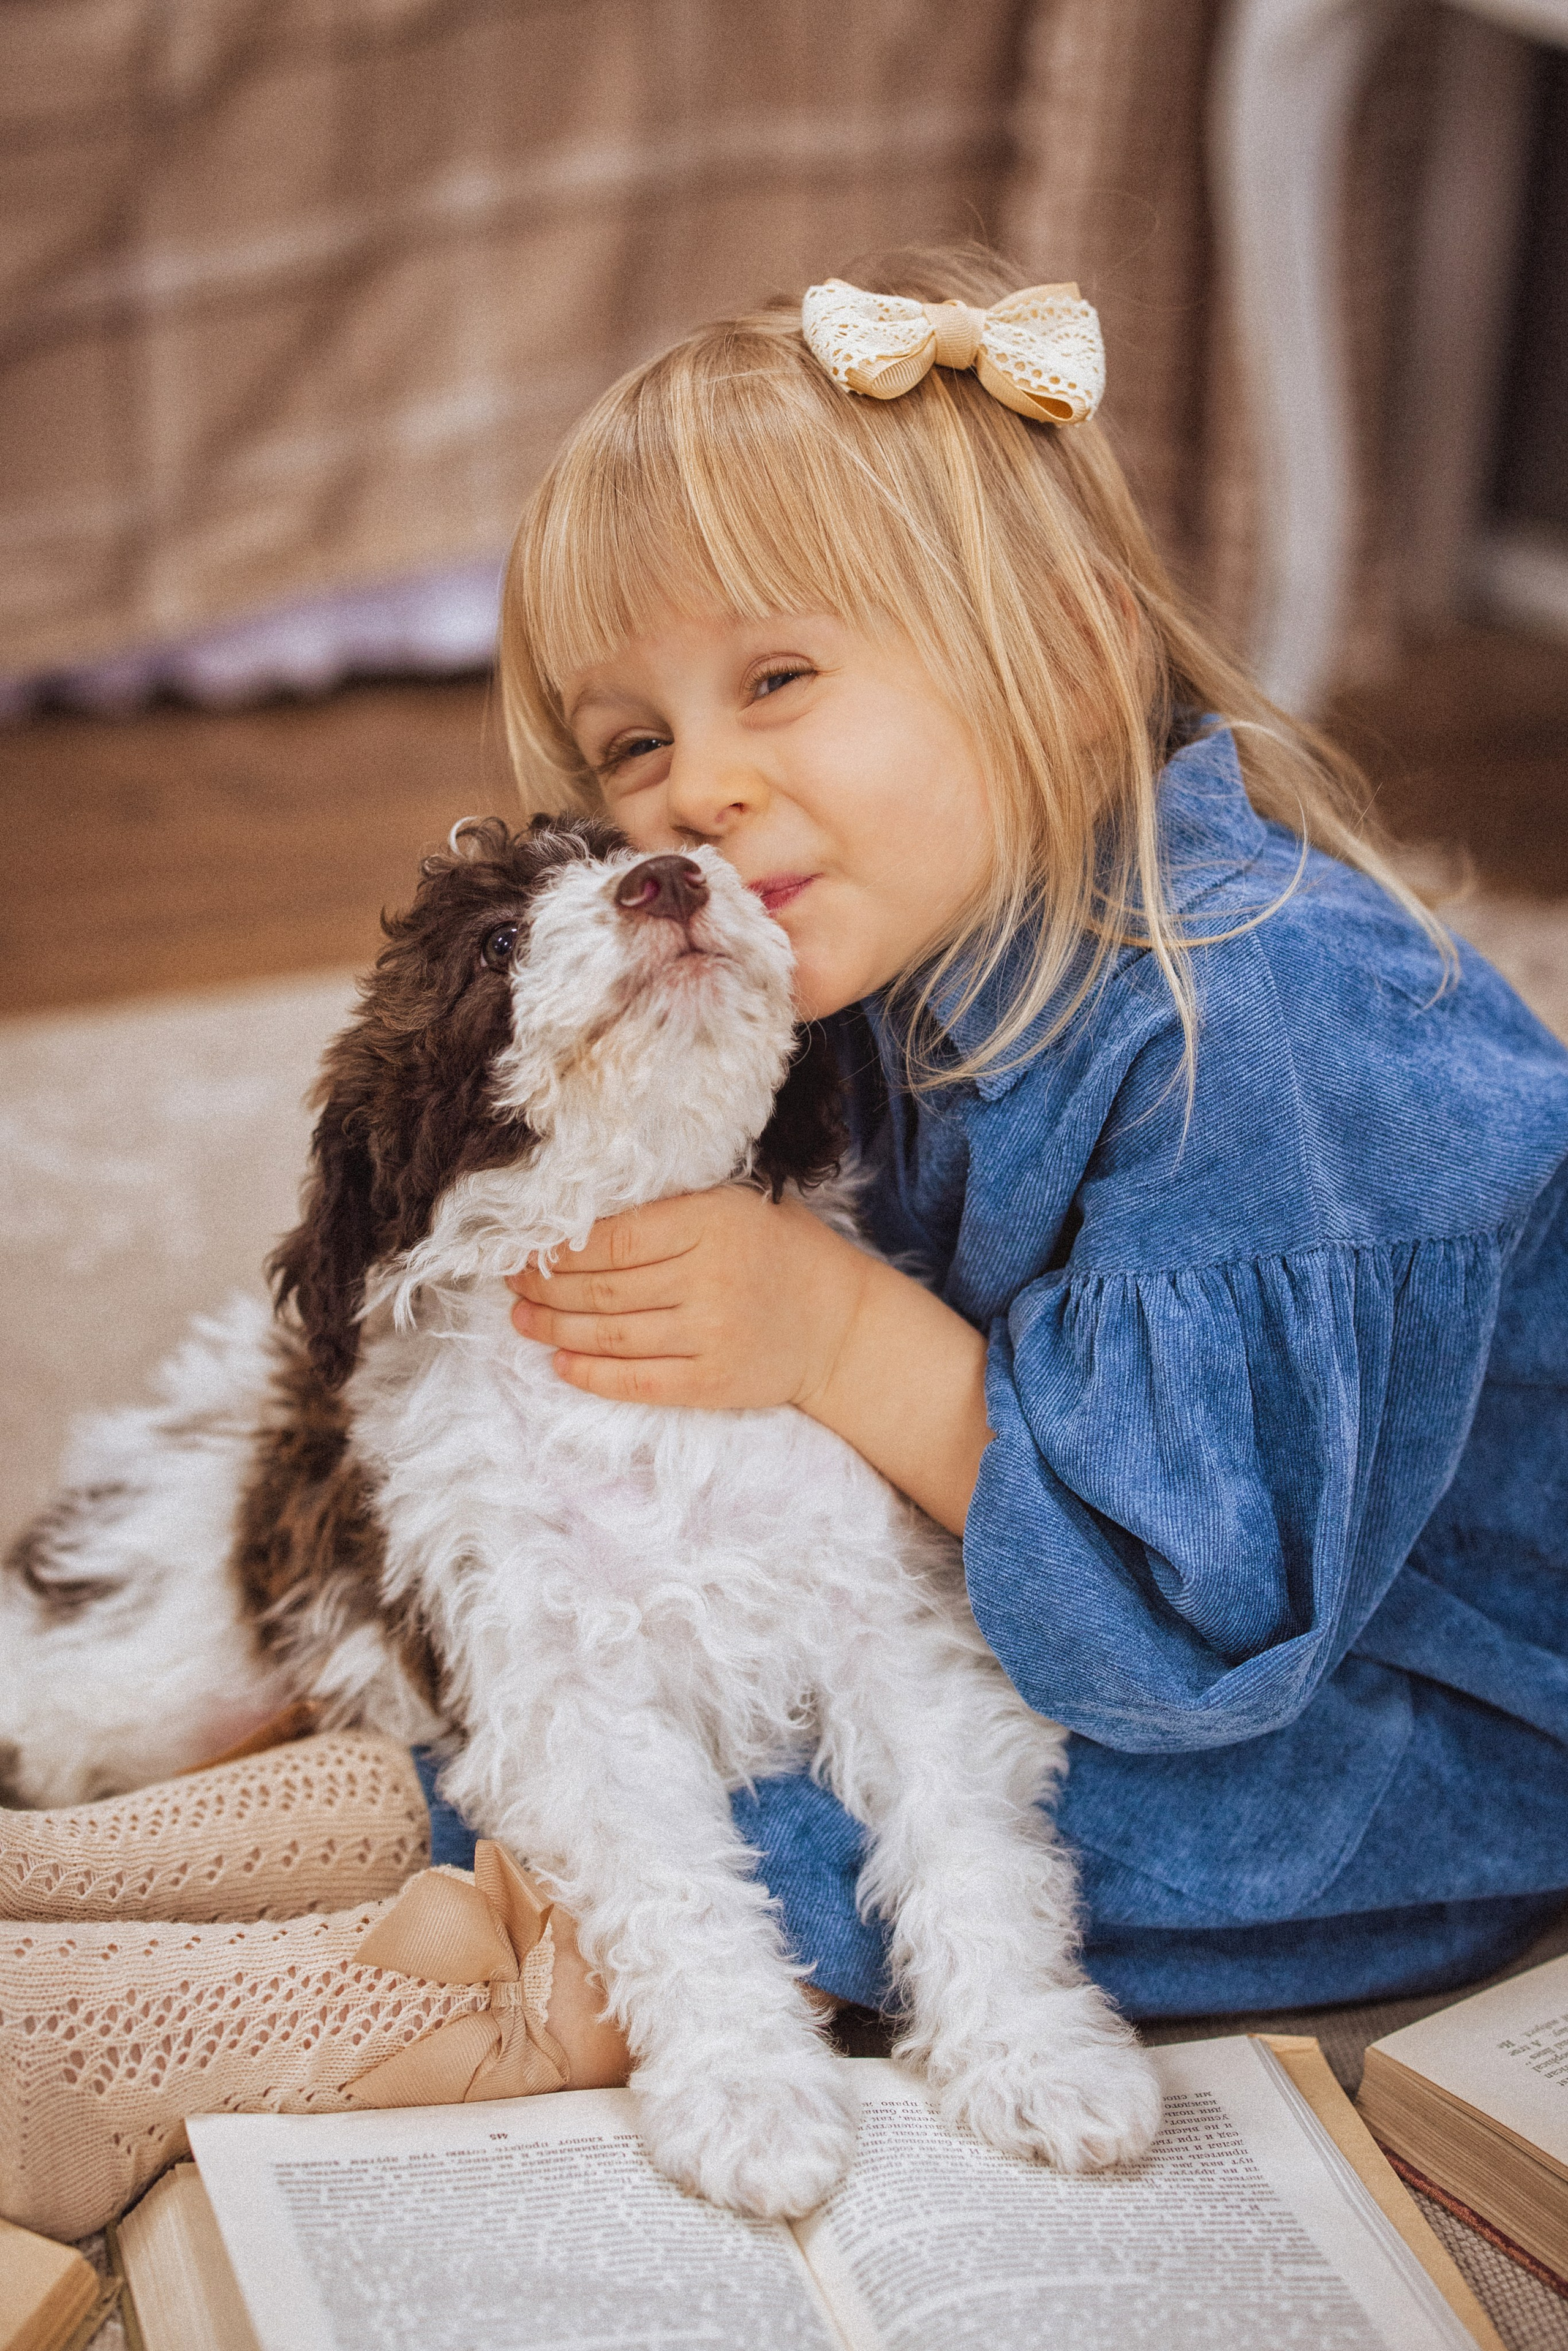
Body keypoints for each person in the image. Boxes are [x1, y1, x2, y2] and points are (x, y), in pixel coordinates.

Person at [477, 245, 1568, 2021]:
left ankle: (433, 1946)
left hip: (1412, 1694)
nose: (697, 787)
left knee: (821, 1835)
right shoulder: (889, 952)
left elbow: (1194, 1636)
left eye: (776, 681)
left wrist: (833, 1334)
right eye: (631, 739)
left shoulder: (1264, 1029)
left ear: (1065, 659)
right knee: (591, 1680)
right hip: (1063, 1593)